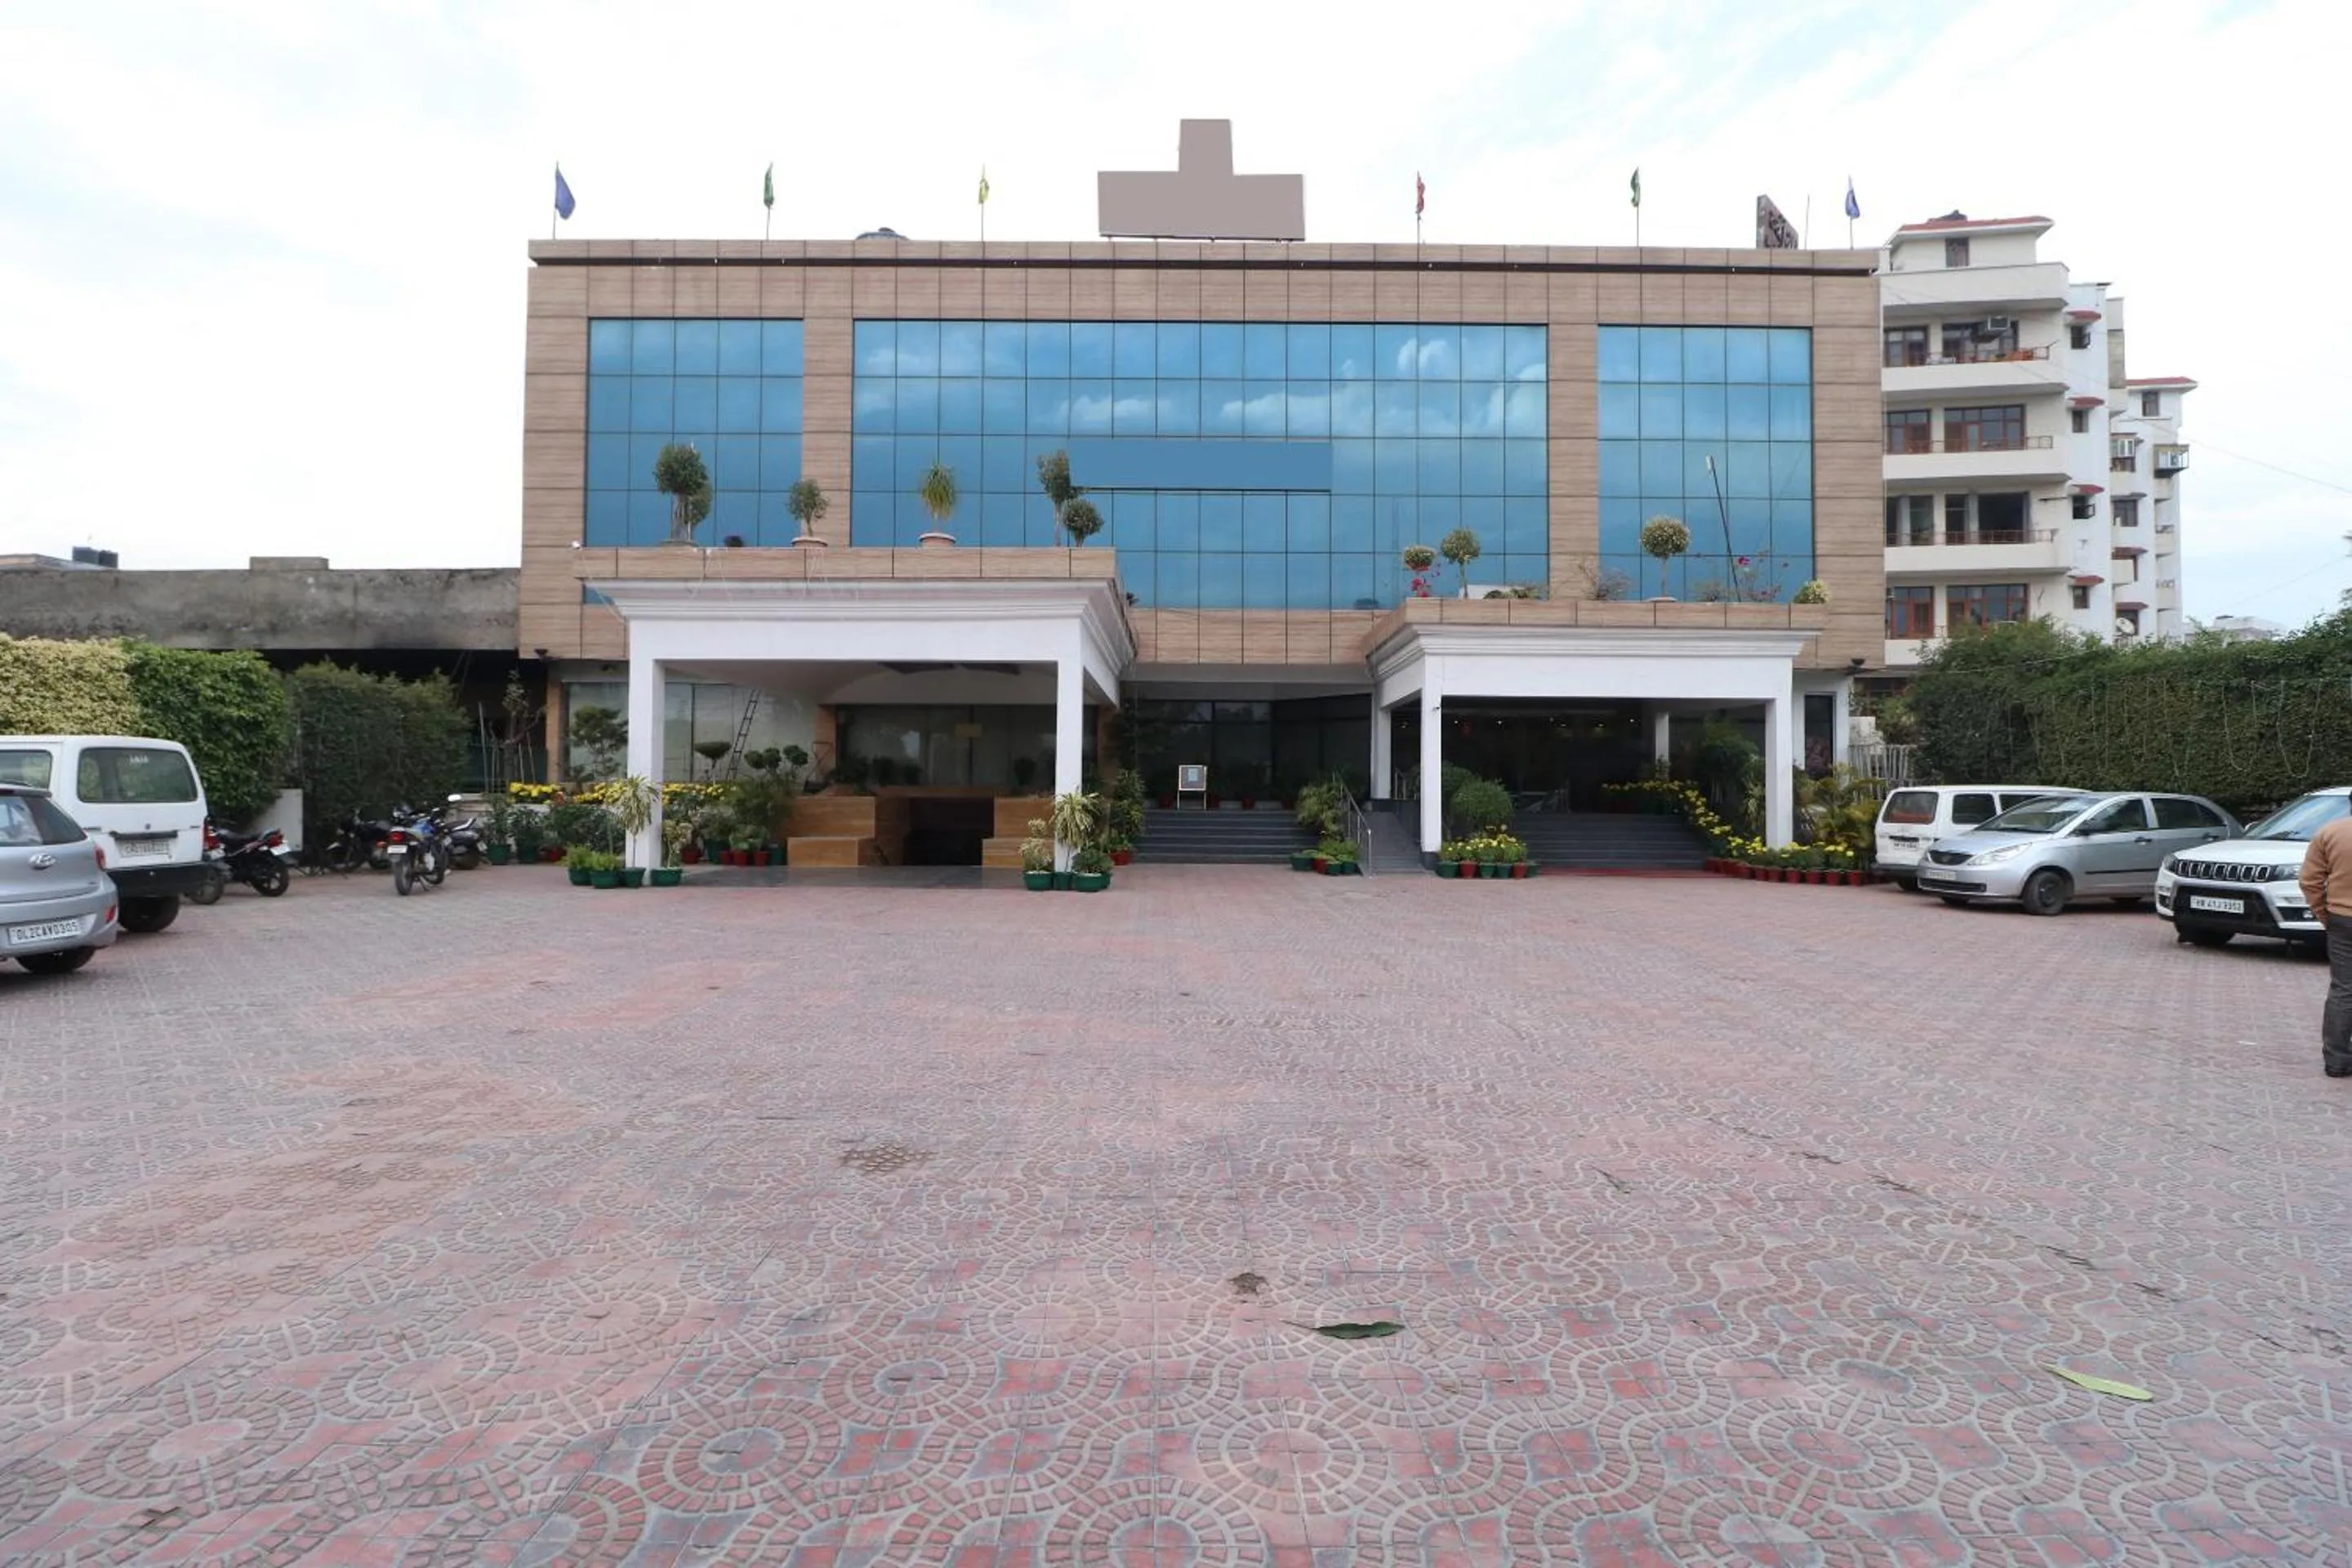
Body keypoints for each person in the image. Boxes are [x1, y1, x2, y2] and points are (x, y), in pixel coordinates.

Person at [2297, 813, 2352, 1077]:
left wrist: (2324, 915)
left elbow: (2309, 880)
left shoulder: (2330, 832)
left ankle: (2337, 1060)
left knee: (2343, 988)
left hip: (2343, 919)